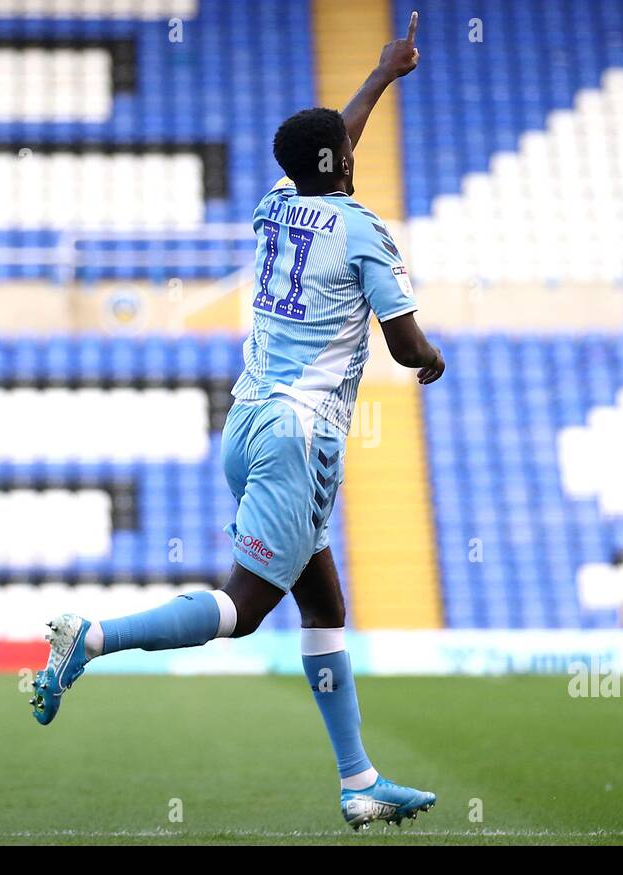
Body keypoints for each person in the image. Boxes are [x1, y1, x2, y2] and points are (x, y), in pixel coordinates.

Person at [29, 13, 446, 832]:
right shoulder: (365, 232)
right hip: (299, 436)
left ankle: (358, 780)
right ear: (347, 164)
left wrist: (382, 74)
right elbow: (404, 348)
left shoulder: (276, 209)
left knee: (324, 605)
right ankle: (94, 637)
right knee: (245, 608)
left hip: (249, 420)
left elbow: (331, 146)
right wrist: (433, 358)